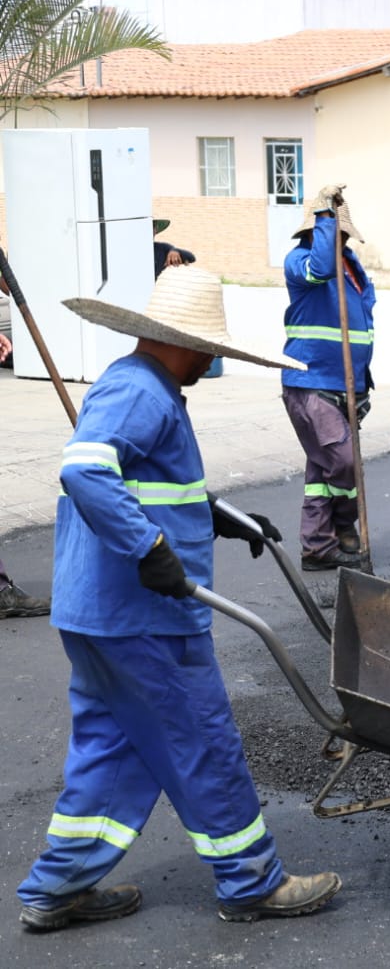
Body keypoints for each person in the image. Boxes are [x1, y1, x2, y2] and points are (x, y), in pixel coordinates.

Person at [16, 265, 341, 931]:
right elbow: (84, 469)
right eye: (212, 350)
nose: (214, 361)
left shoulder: (143, 386)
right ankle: (251, 882)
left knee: (112, 749)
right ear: (184, 342)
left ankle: (56, 891)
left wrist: (216, 513)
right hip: (143, 616)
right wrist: (150, 550)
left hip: (99, 615)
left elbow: (142, 482)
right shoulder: (142, 391)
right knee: (202, 740)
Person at [280, 184, 375, 570]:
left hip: (348, 385)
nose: (340, 240)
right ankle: (341, 524)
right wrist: (324, 214)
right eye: (334, 233)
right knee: (344, 460)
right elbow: (320, 267)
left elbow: (362, 324)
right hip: (311, 382)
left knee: (323, 469)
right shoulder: (299, 261)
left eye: (341, 234)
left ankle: (317, 547)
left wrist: (364, 383)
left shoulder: (352, 268)